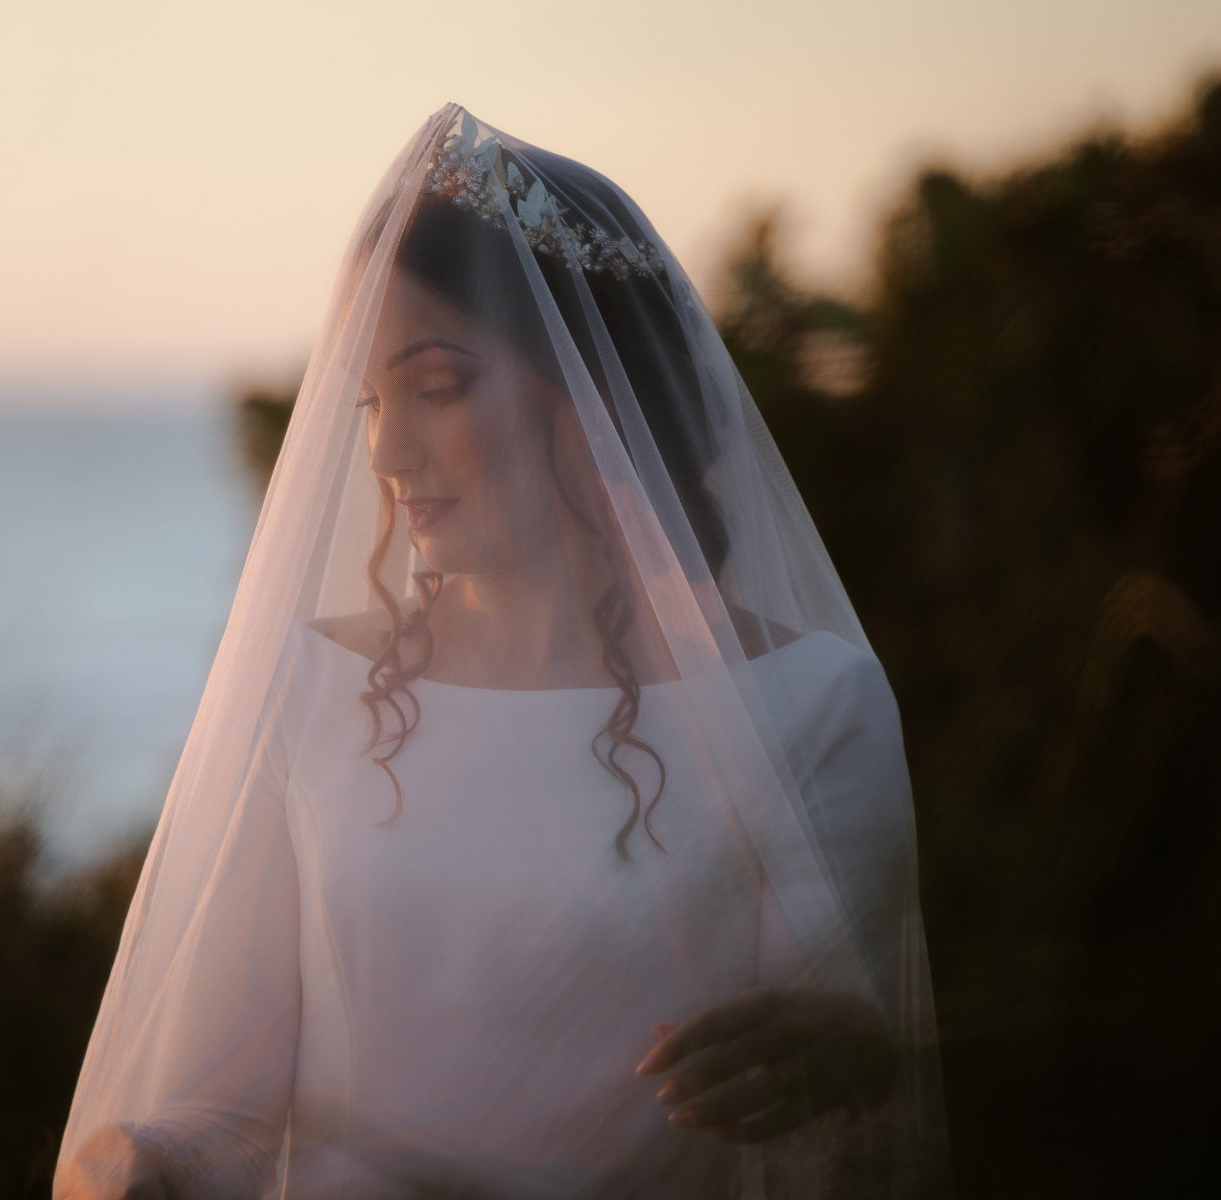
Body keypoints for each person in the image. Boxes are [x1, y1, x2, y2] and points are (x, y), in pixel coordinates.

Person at [56, 108, 947, 1199]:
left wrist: (845, 1060)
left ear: (596, 396)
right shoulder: (306, 687)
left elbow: (838, 1110)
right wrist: (148, 1158)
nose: (382, 450)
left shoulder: (809, 707)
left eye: (435, 386)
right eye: (370, 401)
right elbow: (227, 1101)